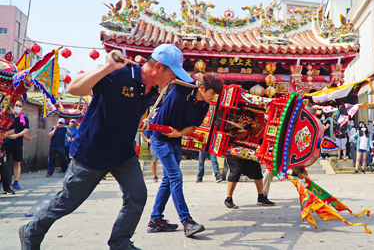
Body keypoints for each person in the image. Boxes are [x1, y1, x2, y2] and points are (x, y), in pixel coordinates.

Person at [20, 46, 178, 250]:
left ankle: (120, 242)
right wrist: (107, 68)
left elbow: (135, 113)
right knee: (68, 202)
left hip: (123, 153)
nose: (174, 78)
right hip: (92, 151)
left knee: (137, 194)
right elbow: (74, 89)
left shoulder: (154, 89)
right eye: (173, 73)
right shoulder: (119, 74)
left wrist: (140, 123)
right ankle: (30, 231)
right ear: (158, 67)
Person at [148, 72, 224, 237]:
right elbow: (177, 68)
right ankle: (187, 222)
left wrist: (178, 134)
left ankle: (155, 220)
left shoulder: (204, 106)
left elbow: (193, 127)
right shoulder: (181, 89)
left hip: (175, 141)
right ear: (202, 88)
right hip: (159, 139)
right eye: (213, 93)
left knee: (168, 180)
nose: (214, 97)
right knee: (175, 176)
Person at [3, 100, 29, 190]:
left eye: (19, 105)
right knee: (3, 163)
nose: (17, 106)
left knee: (17, 163)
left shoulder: (24, 118)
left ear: (22, 107)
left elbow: (25, 130)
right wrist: (8, 134)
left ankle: (16, 181)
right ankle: (3, 181)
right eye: (16, 105)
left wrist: (17, 135)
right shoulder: (7, 117)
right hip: (6, 142)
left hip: (17, 143)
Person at [140, 108, 159, 182]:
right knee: (153, 160)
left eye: (158, 112)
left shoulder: (163, 122)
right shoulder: (150, 122)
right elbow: (141, 131)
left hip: (163, 143)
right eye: (155, 112)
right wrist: (147, 139)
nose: (156, 114)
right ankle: (155, 176)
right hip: (154, 143)